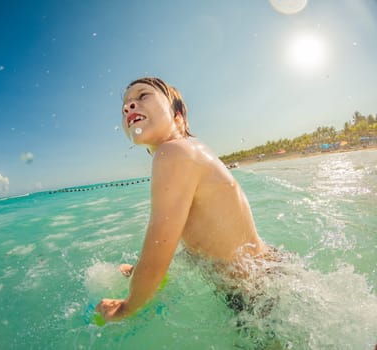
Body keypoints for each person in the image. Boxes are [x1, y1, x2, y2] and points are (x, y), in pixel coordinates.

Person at [95, 77, 275, 322]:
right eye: (125, 104)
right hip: (264, 274)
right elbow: (190, 242)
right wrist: (140, 271)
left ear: (178, 115)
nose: (128, 106)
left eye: (143, 96)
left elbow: (159, 241)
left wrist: (129, 305)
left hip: (257, 294)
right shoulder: (187, 150)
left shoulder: (172, 153)